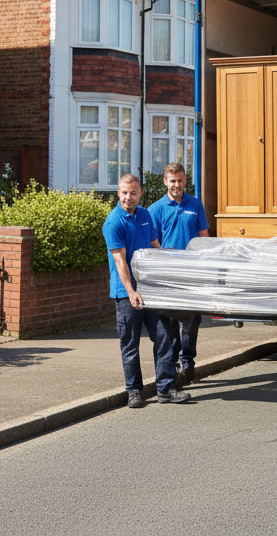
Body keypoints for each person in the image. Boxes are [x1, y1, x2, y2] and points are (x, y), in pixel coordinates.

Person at [103, 173, 189, 408]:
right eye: (123, 193)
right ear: (118, 193)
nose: (128, 197)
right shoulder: (113, 222)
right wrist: (131, 292)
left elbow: (155, 248)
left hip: (150, 291)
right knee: (130, 344)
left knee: (163, 338)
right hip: (126, 294)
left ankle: (165, 388)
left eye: (132, 193)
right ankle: (134, 391)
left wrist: (165, 277)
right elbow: (120, 261)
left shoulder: (145, 215)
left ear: (140, 193)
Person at [147, 162, 210, 383]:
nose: (177, 185)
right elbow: (152, 242)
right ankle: (172, 362)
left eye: (180, 180)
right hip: (168, 273)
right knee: (169, 320)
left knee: (192, 319)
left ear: (185, 180)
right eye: (172, 181)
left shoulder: (195, 204)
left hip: (192, 272)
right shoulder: (155, 209)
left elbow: (204, 237)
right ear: (165, 181)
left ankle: (188, 360)